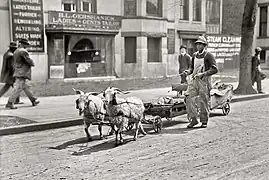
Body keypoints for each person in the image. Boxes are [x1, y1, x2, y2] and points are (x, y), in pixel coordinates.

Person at [182, 36, 218, 128]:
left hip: (204, 82)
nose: (198, 46)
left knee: (203, 101)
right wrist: (188, 71)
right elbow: (191, 67)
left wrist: (203, 74)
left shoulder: (209, 55)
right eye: (197, 44)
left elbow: (214, 69)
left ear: (204, 45)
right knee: (188, 97)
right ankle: (193, 119)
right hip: (194, 81)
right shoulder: (194, 55)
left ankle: (204, 121)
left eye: (200, 44)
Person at [5, 38, 40, 109]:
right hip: (22, 72)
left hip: (19, 71)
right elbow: (28, 60)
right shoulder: (23, 51)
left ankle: (33, 100)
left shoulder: (16, 51)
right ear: (23, 44)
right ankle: (10, 103)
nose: (26, 46)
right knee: (18, 88)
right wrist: (32, 63)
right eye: (26, 45)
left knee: (26, 87)